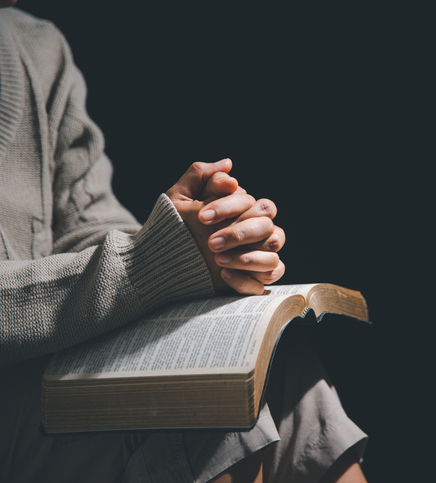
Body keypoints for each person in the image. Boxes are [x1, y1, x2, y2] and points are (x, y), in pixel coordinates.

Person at [0, 4, 367, 483]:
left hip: (49, 373)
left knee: (285, 372)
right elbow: (131, 264)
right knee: (215, 412)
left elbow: (86, 225)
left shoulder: (34, 46)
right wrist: (147, 264)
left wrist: (200, 241)